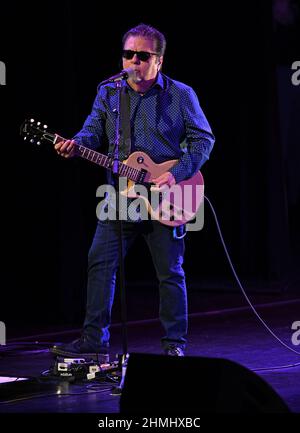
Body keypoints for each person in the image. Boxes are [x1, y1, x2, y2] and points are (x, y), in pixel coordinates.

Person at [51, 23, 215, 360]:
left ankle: (173, 345)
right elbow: (91, 131)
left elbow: (204, 140)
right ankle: (94, 338)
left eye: (142, 56)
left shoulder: (181, 95)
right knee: (100, 264)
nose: (134, 62)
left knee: (170, 272)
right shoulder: (109, 93)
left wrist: (175, 174)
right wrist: (75, 145)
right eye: (129, 55)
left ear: (159, 60)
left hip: (168, 195)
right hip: (120, 198)